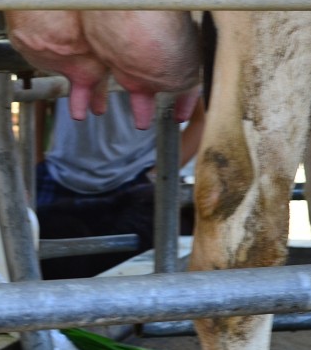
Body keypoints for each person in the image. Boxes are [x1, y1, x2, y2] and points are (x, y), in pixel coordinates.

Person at [33, 90, 204, 280]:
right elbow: (33, 90)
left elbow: (201, 118)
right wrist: (35, 160)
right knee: (51, 276)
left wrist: (156, 174)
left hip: (136, 181)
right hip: (60, 175)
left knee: (140, 281)